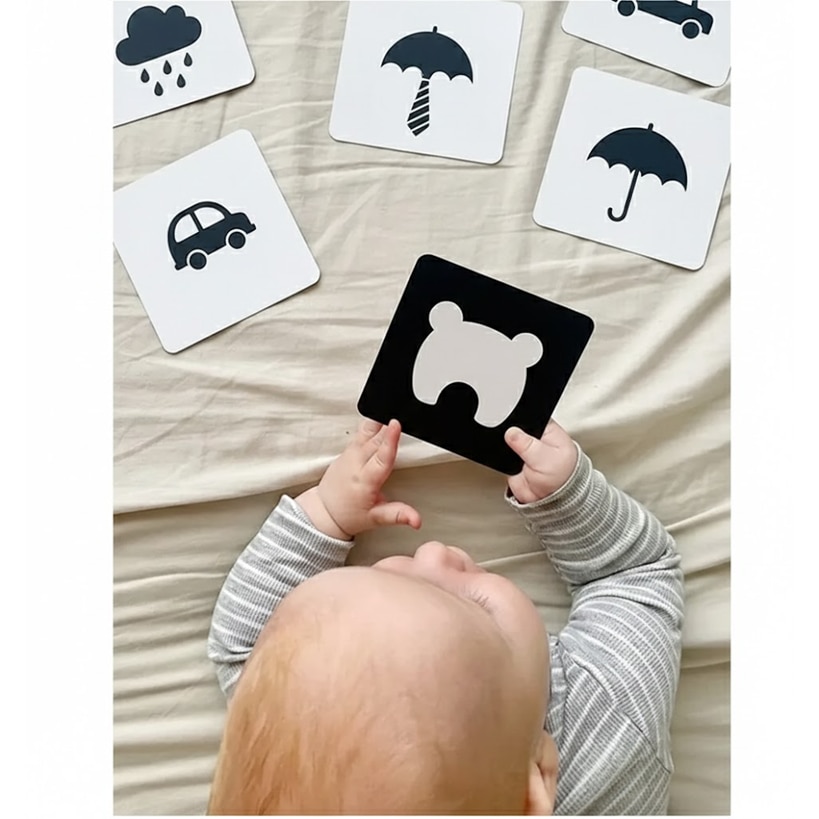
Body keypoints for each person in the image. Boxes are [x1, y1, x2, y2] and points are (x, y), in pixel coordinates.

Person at [206, 418, 683, 814]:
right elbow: (636, 574)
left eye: (384, 574)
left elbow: (248, 647)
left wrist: (327, 515)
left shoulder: (292, 736)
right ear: (532, 792)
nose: (433, 551)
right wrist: (566, 502)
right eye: (476, 605)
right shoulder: (610, 738)